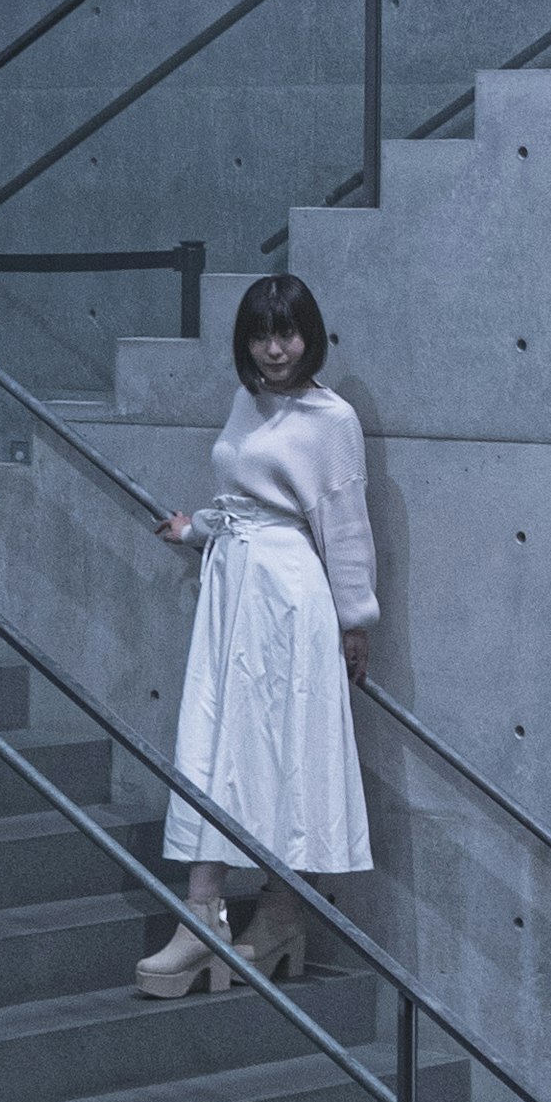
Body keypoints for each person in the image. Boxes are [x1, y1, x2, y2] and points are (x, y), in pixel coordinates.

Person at [133, 271, 374, 995]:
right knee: (216, 742)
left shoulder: (332, 419)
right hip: (232, 586)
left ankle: (276, 914)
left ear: (311, 335)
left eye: (288, 332)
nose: (275, 349)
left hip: (288, 593)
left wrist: (355, 617)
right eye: (262, 335)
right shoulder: (248, 401)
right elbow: (237, 498)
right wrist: (194, 529)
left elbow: (344, 521)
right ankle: (206, 913)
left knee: (281, 745)